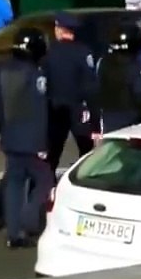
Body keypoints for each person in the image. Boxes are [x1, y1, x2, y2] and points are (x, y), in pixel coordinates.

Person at [0, 28, 57, 248]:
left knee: (14, 184)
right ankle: (29, 220)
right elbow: (40, 111)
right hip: (31, 140)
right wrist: (42, 143)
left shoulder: (1, 71)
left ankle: (14, 231)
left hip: (10, 137)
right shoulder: (35, 73)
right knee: (45, 180)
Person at [42, 13, 97, 168]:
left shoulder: (49, 52)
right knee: (86, 152)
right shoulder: (83, 52)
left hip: (54, 108)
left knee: (52, 154)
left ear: (59, 29)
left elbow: (43, 83)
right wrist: (95, 120)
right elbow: (90, 86)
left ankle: (48, 187)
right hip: (78, 108)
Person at [96, 22, 141, 132]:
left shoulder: (103, 62)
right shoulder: (135, 66)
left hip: (109, 116)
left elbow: (98, 86)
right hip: (132, 118)